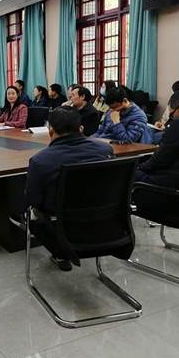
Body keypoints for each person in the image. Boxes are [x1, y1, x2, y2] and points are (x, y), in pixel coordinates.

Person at [26, 107, 113, 271]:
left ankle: (60, 253)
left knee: (31, 215)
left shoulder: (41, 161)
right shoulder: (105, 150)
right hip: (105, 223)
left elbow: (33, 200)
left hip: (61, 229)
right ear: (81, 129)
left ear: (50, 131)